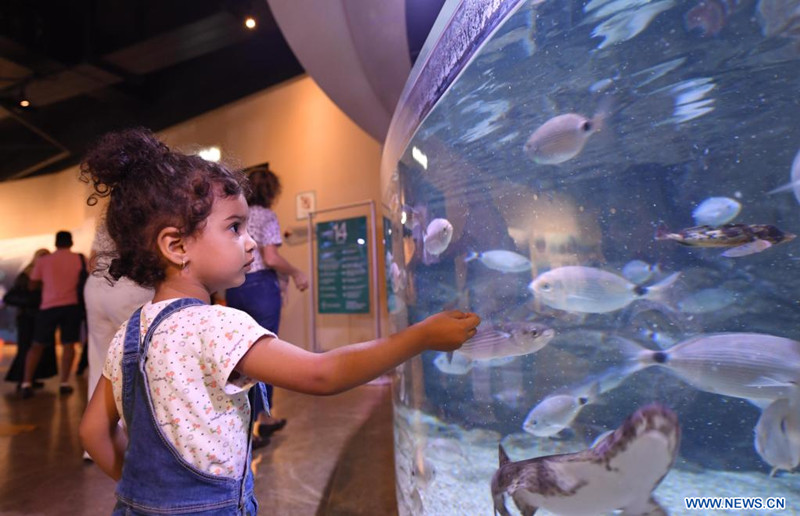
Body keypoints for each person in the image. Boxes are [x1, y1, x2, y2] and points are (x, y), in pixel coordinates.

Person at [78, 128, 479, 515]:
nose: (251, 241)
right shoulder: (218, 327)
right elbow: (323, 373)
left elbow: (93, 433)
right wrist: (421, 336)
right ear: (177, 246)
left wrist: (147, 496)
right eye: (235, 228)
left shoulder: (129, 335)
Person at [226, 163, 308, 447]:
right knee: (266, 355)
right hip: (261, 287)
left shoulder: (239, 217)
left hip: (235, 287)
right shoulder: (268, 216)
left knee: (240, 356)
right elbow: (270, 258)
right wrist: (297, 272)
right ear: (272, 191)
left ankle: (251, 420)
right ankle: (259, 421)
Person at [82, 217, 154, 460]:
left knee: (100, 363)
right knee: (145, 362)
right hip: (131, 281)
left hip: (96, 283)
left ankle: (96, 443)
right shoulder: (148, 203)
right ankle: (140, 441)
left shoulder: (107, 214)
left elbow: (91, 260)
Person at [20, 230, 86, 399]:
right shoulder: (80, 259)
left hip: (48, 307)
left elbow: (32, 285)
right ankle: (64, 383)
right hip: (71, 306)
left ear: (55, 243)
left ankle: (26, 383)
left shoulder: (44, 261)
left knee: (37, 345)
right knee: (69, 345)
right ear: (71, 243)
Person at [3, 249, 58, 390]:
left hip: (35, 315)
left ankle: (29, 379)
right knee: (28, 348)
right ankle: (25, 379)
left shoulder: (33, 273)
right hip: (29, 317)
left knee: (35, 348)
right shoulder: (28, 274)